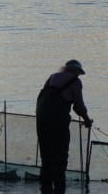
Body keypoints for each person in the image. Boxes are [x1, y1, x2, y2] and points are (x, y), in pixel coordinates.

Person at [36, 59, 93, 194]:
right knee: (60, 156)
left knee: (46, 156)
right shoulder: (75, 82)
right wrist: (87, 120)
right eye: (78, 73)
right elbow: (78, 106)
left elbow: (41, 97)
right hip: (58, 122)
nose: (78, 76)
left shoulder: (52, 77)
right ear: (76, 72)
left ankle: (45, 188)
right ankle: (59, 188)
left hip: (41, 119)